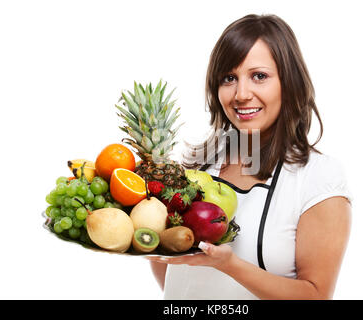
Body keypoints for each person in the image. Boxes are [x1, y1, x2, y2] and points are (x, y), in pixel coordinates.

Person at [146, 13, 352, 300]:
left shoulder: (318, 177)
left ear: (288, 82)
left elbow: (315, 296)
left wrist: (230, 266)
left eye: (259, 76)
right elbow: (172, 271)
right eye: (229, 78)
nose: (241, 94)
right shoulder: (199, 165)